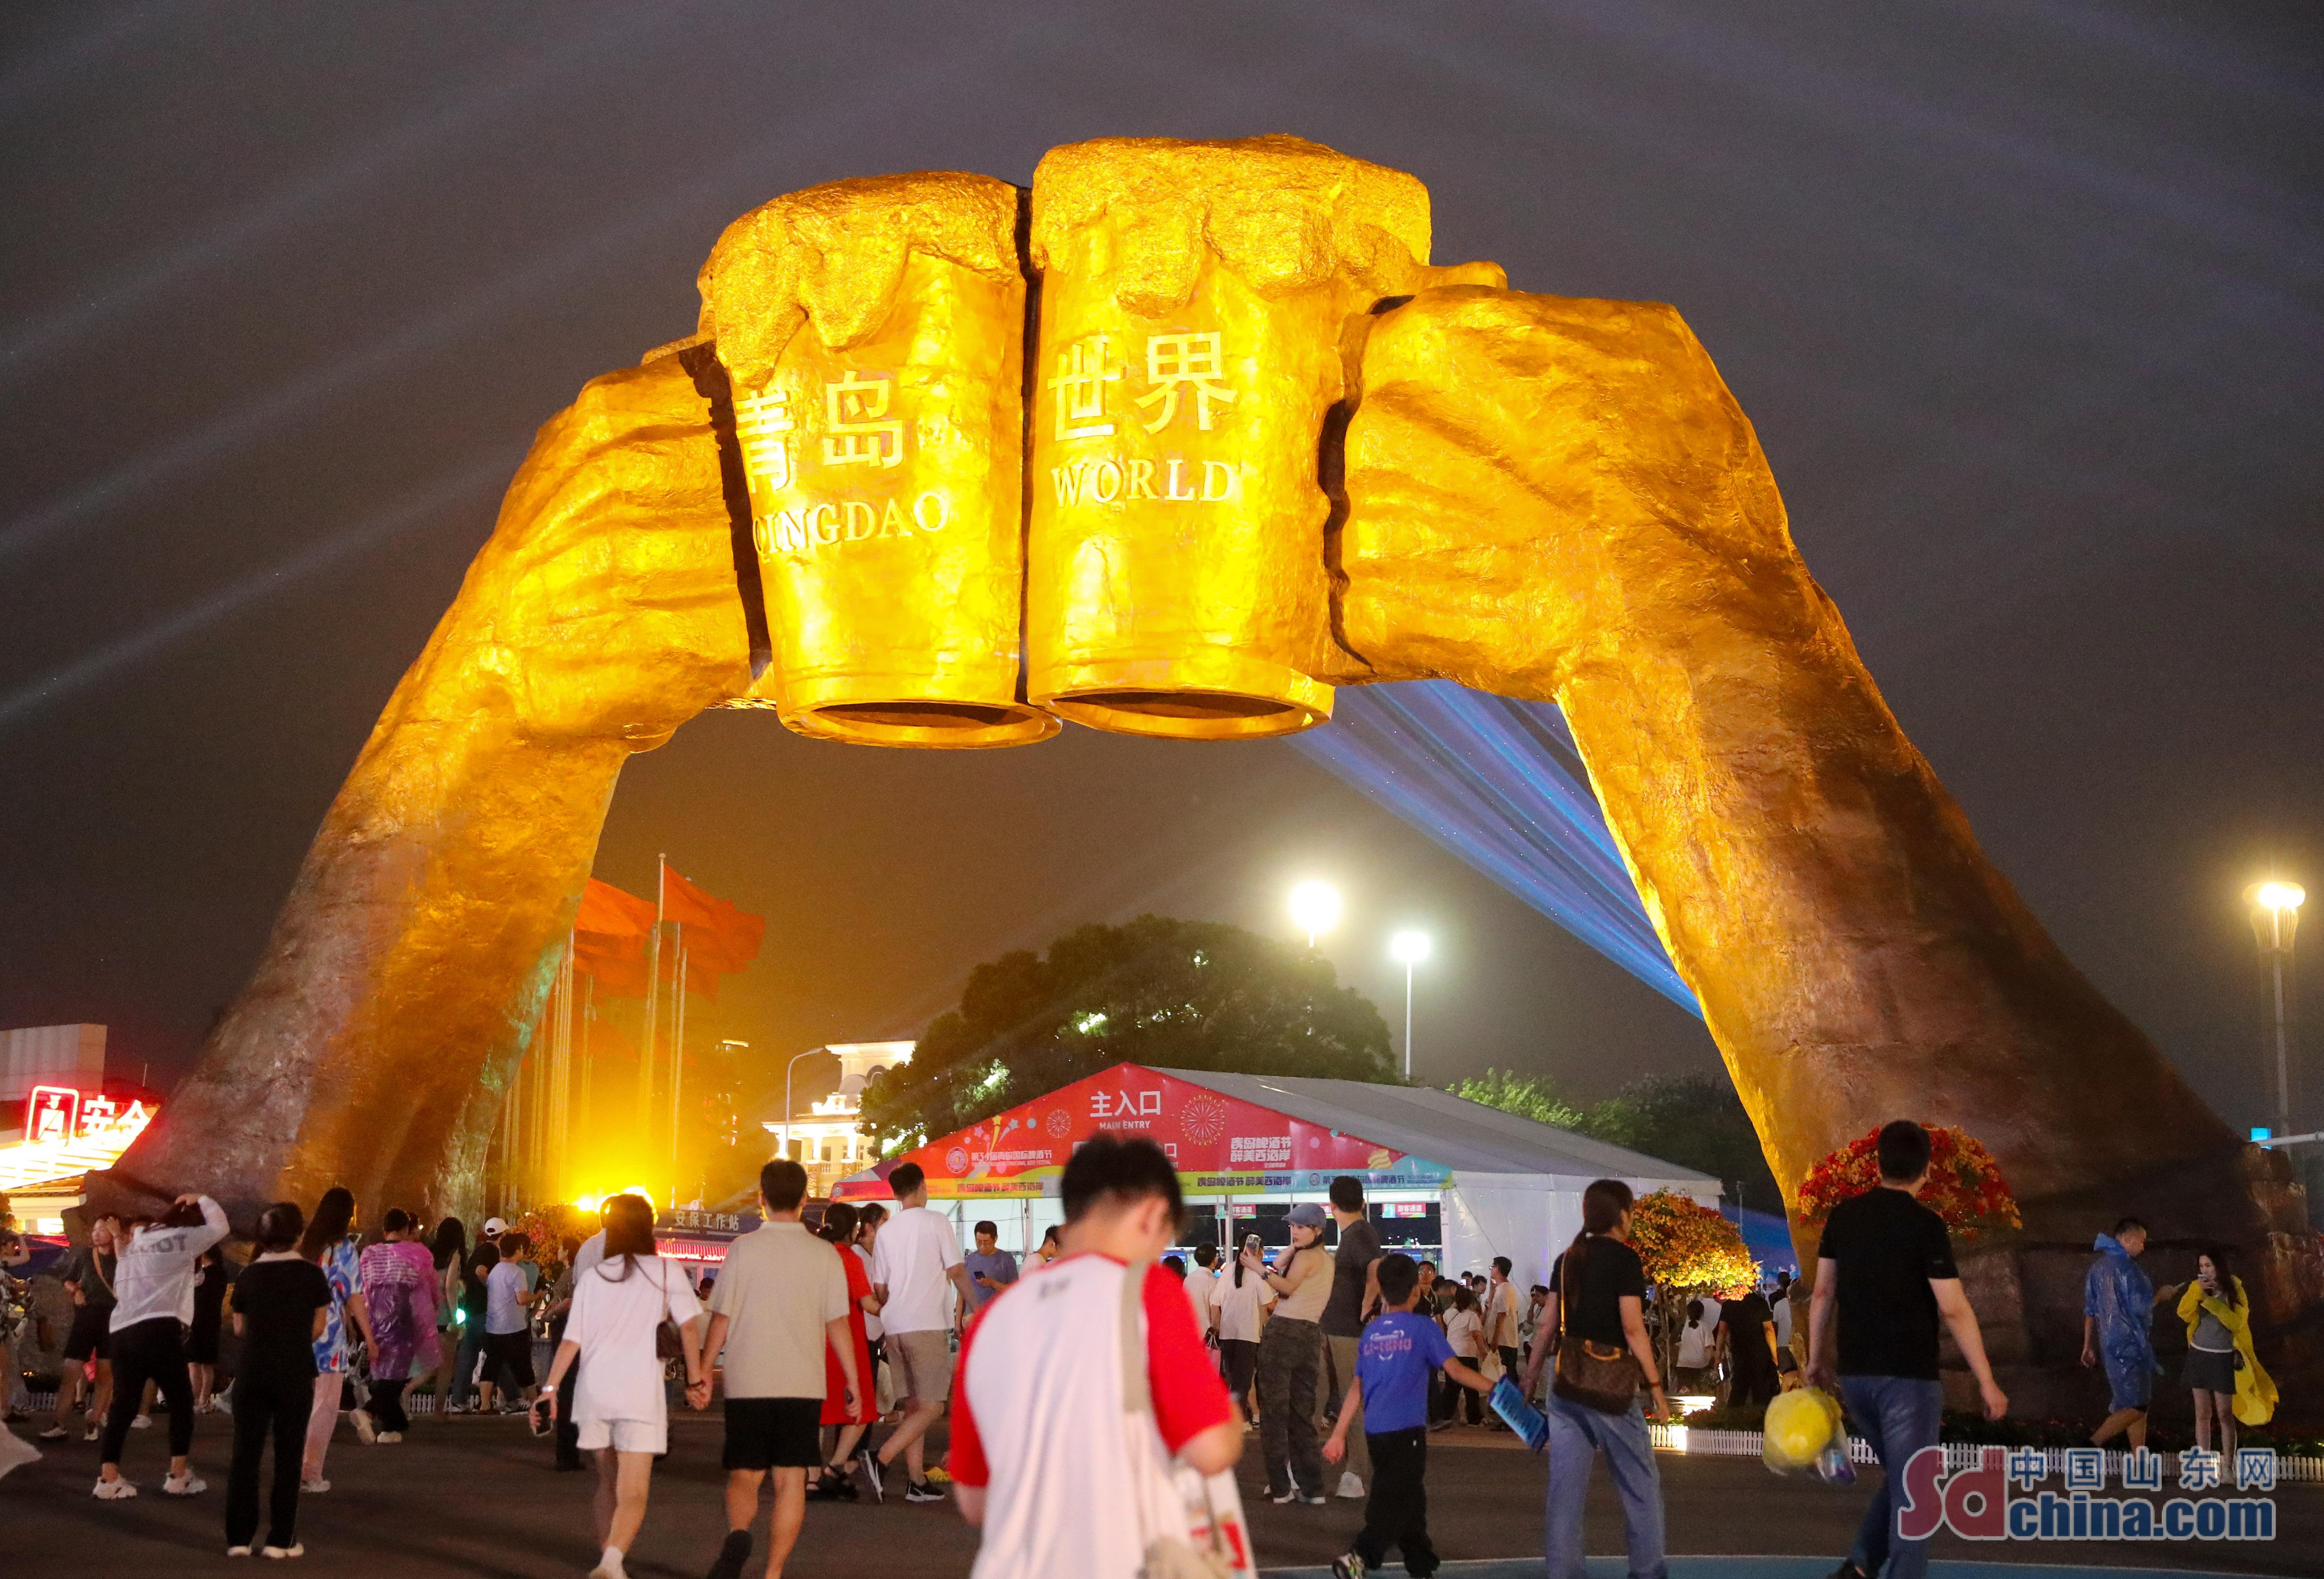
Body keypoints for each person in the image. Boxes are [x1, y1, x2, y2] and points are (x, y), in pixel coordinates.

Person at [947, 1135, 1239, 1579]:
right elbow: (1211, 1447)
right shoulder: (1149, 1289)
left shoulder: (991, 1320)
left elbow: (973, 1500)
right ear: (1153, 1213)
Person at [1808, 1120, 2007, 1579]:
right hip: (1908, 1379)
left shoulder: (1843, 1216)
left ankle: (1859, 1564)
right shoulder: (1926, 1225)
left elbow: (1822, 1294)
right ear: (1927, 1169)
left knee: (1903, 1478)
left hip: (1856, 1375)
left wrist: (1817, 1360)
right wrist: (1986, 1379)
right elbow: (1954, 1308)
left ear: (1876, 1162)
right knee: (1916, 1489)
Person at [698, 1160, 862, 1579]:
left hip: (748, 1379)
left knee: (745, 1474)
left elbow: (721, 1319)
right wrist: (854, 1383)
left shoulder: (743, 1248)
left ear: (762, 1198)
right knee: (791, 1480)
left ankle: (739, 1534)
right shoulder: (824, 1253)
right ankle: (772, 1573)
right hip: (802, 1382)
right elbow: (837, 1324)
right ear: (806, 1199)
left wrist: (701, 1370)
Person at [535, 1194, 711, 1579]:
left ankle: (608, 1561)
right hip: (638, 1391)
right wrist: (696, 1379)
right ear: (648, 1227)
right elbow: (687, 1327)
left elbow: (572, 1340)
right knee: (634, 1489)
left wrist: (548, 1390)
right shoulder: (666, 1271)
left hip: (593, 1390)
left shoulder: (595, 1276)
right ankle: (612, 1561)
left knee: (607, 1481)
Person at [1512, 1179, 1669, 1579]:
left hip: (1566, 1384)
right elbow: (1633, 1329)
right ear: (1622, 1214)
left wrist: (1529, 1381)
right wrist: (1655, 1387)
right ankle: (1647, 1571)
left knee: (1565, 1491)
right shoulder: (1624, 1259)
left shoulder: (1568, 1259)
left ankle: (1563, 1573)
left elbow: (1547, 1327)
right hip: (1612, 1389)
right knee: (1639, 1485)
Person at [1323, 1252, 1492, 1579]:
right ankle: (1360, 1556)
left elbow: (1356, 1389)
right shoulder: (1423, 1327)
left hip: (1376, 1433)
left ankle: (1421, 1565)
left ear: (1382, 1293)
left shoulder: (1371, 1333)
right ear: (1416, 1291)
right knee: (1395, 1499)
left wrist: (1338, 1433)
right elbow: (1456, 1370)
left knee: (1409, 1496)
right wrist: (1494, 1388)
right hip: (1407, 1432)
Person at [95, 1192, 229, 1499]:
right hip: (158, 1326)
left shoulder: (137, 1242)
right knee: (182, 1403)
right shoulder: (183, 1239)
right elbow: (220, 1226)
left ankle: (108, 1477)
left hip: (121, 1328)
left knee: (123, 1406)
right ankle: (178, 1475)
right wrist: (203, 1198)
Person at [225, 1202, 332, 1557]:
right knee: (288, 1456)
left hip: (253, 1370)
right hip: (295, 1370)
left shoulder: (247, 1276)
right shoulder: (312, 1275)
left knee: (245, 1455)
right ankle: (280, 1540)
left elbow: (239, 1326)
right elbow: (318, 1328)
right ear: (298, 1234)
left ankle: (239, 1538)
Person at [868, 1162, 977, 1502]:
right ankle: (879, 1458)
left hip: (895, 1326)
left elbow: (880, 1286)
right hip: (926, 1323)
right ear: (922, 1186)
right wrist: (976, 1305)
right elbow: (957, 1270)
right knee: (933, 1407)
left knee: (914, 1407)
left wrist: (890, 1307)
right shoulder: (936, 1221)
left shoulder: (886, 1231)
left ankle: (916, 1481)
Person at [1246, 1201, 1334, 1502]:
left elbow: (1285, 1287)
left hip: (1283, 1331)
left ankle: (1281, 1487)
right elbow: (1283, 1261)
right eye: (1292, 1226)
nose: (1294, 1231)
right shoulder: (1324, 1258)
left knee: (1273, 1412)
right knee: (1302, 1413)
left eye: (1300, 1226)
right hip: (1310, 1335)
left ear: (1317, 1229)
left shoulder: (1307, 1256)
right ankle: (1311, 1487)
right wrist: (1292, 1245)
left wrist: (1258, 1268)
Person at [298, 1187, 375, 1488]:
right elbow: (354, 1296)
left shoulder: (307, 1244)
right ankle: (311, 1472)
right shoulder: (343, 1249)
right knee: (325, 1406)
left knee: (302, 1405)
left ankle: (295, 1467)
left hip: (299, 1331)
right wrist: (370, 1337)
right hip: (328, 1335)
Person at [809, 1202, 880, 1503]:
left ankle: (811, 1481)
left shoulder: (813, 1254)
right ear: (854, 1229)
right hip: (846, 1341)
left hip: (813, 1339)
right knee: (860, 1409)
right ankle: (835, 1467)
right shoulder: (849, 1259)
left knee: (818, 1414)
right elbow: (869, 1304)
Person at [2176, 1244, 2274, 1455]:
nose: (2205, 1270)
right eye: (2201, 1266)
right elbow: (2183, 1313)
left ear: (2218, 1266)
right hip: (2199, 1353)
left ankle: (2228, 1466)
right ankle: (2203, 1461)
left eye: (2209, 1265)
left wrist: (2211, 1303)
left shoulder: (2234, 1288)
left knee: (2224, 1413)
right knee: (2202, 1413)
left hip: (2223, 1356)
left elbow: (2237, 1323)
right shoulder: (2198, 1287)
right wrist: (2196, 1293)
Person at [1320, 1176, 1384, 1498]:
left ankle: (1356, 1471)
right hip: (1334, 1328)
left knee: (1351, 1397)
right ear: (1361, 1202)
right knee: (1329, 1396)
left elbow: (1375, 1267)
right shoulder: (1354, 1233)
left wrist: (1364, 1304)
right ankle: (1308, 1468)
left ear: (1330, 1206)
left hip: (1348, 1331)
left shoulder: (1360, 1232)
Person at [2080, 1217, 2168, 1449]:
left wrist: (2087, 1345)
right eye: (2141, 1241)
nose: (2143, 1246)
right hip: (2131, 1343)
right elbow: (2142, 1306)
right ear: (2127, 1239)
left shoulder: (2097, 1268)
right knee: (2137, 1405)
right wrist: (2161, 1295)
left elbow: (2090, 1310)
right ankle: (2092, 1443)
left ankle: (2140, 1460)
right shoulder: (2130, 1269)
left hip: (2109, 1344)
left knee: (2134, 1403)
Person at [357, 1208, 440, 1441]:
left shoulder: (369, 1254)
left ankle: (391, 1428)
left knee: (383, 1372)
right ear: (405, 1230)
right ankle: (368, 1412)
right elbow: (429, 1284)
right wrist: (434, 1307)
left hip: (374, 1319)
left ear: (384, 1229)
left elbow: (363, 1286)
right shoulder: (414, 1253)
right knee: (396, 1376)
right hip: (403, 1317)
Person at [44, 1211, 119, 1443]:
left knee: (105, 1374)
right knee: (71, 1371)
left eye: (103, 1230)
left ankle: (94, 1422)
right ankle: (59, 1424)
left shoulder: (125, 1258)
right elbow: (68, 1280)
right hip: (86, 1316)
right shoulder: (86, 1256)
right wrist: (76, 1290)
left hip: (114, 1317)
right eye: (95, 1230)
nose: (97, 1234)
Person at [1211, 1231, 1274, 1429]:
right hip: (1248, 1334)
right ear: (1259, 1251)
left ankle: (1237, 1419)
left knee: (1232, 1378)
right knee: (1244, 1380)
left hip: (1228, 1334)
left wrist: (1217, 1328)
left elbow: (1215, 1302)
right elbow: (1269, 1303)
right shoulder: (1258, 1272)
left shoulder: (1228, 1270)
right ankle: (1241, 1420)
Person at [477, 1230, 540, 1414]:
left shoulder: (495, 1271)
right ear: (518, 1250)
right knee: (524, 1368)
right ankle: (536, 1405)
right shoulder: (518, 1272)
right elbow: (521, 1299)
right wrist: (537, 1296)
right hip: (514, 1327)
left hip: (494, 1327)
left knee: (491, 1366)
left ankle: (484, 1405)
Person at [423, 1217, 468, 1418]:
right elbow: (450, 1286)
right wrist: (455, 1318)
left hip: (428, 1314)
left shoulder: (429, 1254)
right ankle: (439, 1411)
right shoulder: (455, 1255)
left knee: (432, 1362)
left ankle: (406, 1391)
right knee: (446, 1365)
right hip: (445, 1317)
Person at [1716, 1284, 1781, 1409]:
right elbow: (1769, 1331)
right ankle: (1760, 1422)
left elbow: (1722, 1332)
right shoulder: (1760, 1303)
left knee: (1738, 1390)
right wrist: (1775, 1356)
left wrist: (1718, 1356)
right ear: (1754, 1285)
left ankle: (1732, 1422)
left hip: (1739, 1353)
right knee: (1761, 1392)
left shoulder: (1729, 1305)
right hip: (1760, 1353)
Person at [188, 1244, 231, 1414]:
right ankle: (200, 1400)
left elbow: (205, 1297)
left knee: (202, 1363)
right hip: (204, 1321)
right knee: (198, 1363)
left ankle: (201, 1400)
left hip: (204, 1321)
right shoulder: (211, 1273)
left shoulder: (213, 1273)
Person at [1439, 1287, 1484, 1426]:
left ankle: (1445, 1416)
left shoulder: (1449, 1313)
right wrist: (1484, 1352)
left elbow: (1450, 1314)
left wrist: (1456, 1301)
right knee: (1471, 1389)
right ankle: (1474, 1419)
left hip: (1451, 1354)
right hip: (1468, 1354)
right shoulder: (1472, 1316)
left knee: (1451, 1388)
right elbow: (1477, 1336)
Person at [962, 1220, 1019, 1315]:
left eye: (987, 1242)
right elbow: (962, 1294)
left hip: (997, 1317)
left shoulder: (1007, 1260)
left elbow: (1015, 1291)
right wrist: (958, 1323)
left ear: (995, 1239)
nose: (983, 1246)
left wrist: (993, 1283)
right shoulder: (969, 1260)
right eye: (979, 1242)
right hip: (972, 1318)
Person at [1673, 1299, 1718, 1394]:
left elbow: (1674, 1341)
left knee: (1683, 1394)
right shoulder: (1706, 1327)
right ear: (1702, 1313)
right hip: (1701, 1365)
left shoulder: (1683, 1326)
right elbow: (1709, 1349)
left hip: (1683, 1364)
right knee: (1703, 1394)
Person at [1184, 1242, 1219, 1344]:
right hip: (1206, 1337)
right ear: (1214, 1260)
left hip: (1189, 1334)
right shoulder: (1213, 1282)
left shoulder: (1188, 1279)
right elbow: (1215, 1310)